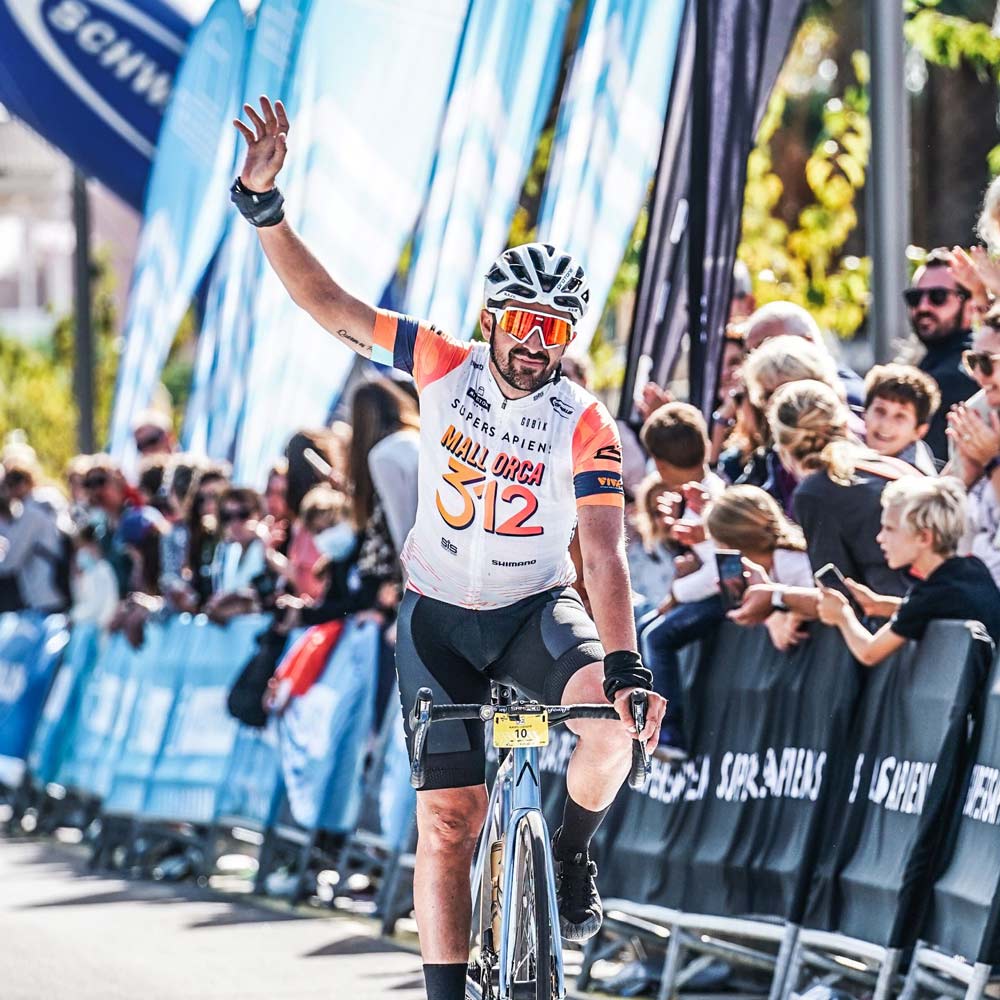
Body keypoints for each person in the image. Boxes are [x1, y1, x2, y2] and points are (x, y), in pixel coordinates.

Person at [232, 95, 664, 998]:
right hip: (437, 621)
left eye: (557, 330)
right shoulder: (439, 362)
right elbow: (331, 306)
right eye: (524, 323)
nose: (537, 344)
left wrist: (627, 666)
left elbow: (606, 551)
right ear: (494, 319)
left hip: (533, 613)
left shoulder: (582, 421)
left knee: (612, 729)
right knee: (449, 823)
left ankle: (573, 851)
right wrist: (265, 206)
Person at [730, 380, 922, 628]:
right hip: (931, 611)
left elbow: (839, 599)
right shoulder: (891, 465)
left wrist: (775, 596)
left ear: (782, 445)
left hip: (901, 630)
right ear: (843, 425)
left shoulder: (814, 492)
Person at [817, 477, 1000, 663]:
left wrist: (842, 616)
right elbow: (929, 609)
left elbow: (869, 653)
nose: (880, 538)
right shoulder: (973, 569)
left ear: (924, 537)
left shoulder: (930, 595)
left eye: (890, 529)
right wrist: (878, 604)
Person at [901, 248, 979, 461]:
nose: (923, 306)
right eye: (915, 298)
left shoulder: (963, 373)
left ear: (970, 305)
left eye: (938, 296)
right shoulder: (930, 362)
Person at [945, 307, 1000, 587]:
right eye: (972, 361)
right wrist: (964, 476)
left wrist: (992, 461)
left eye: (987, 362)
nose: (978, 374)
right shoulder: (982, 417)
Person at [741, 300, 865, 407]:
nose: (756, 361)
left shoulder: (854, 403)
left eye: (767, 345)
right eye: (750, 353)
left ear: (808, 342)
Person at [862, 364, 940, 475]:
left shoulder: (918, 483)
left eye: (900, 416)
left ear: (919, 431)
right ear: (865, 414)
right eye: (880, 411)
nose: (886, 424)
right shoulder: (845, 454)